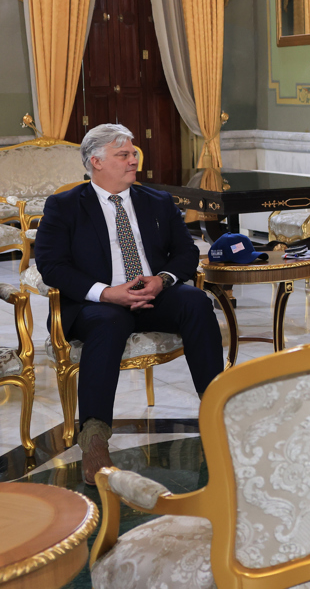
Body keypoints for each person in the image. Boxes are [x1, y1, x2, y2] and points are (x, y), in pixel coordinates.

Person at [34, 123, 223, 485]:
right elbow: (52, 265)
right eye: (123, 155)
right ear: (96, 162)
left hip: (154, 293)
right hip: (98, 302)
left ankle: (217, 408)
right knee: (109, 322)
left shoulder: (158, 201)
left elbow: (185, 251)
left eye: (133, 153)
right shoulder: (64, 206)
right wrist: (106, 292)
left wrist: (162, 279)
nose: (133, 159)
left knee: (196, 302)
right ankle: (94, 439)